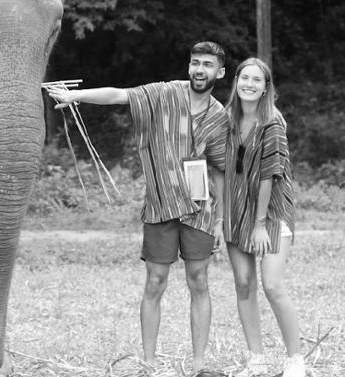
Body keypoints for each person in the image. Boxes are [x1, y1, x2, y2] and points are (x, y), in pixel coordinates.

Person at [47, 41, 229, 376]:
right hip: (160, 205)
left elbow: (219, 169)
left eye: (207, 65)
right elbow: (119, 95)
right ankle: (149, 363)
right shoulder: (164, 93)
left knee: (199, 281)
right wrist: (76, 96)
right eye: (195, 63)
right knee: (155, 282)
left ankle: (200, 364)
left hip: (200, 209)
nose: (199, 70)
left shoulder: (219, 117)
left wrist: (221, 219)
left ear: (220, 72)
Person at [222, 58, 304, 377]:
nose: (250, 84)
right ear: (236, 81)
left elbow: (269, 176)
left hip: (271, 214)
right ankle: (256, 359)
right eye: (245, 77)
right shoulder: (227, 120)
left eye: (257, 80)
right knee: (243, 284)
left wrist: (259, 225)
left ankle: (295, 359)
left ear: (266, 87)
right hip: (236, 211)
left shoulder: (272, 124)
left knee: (271, 284)